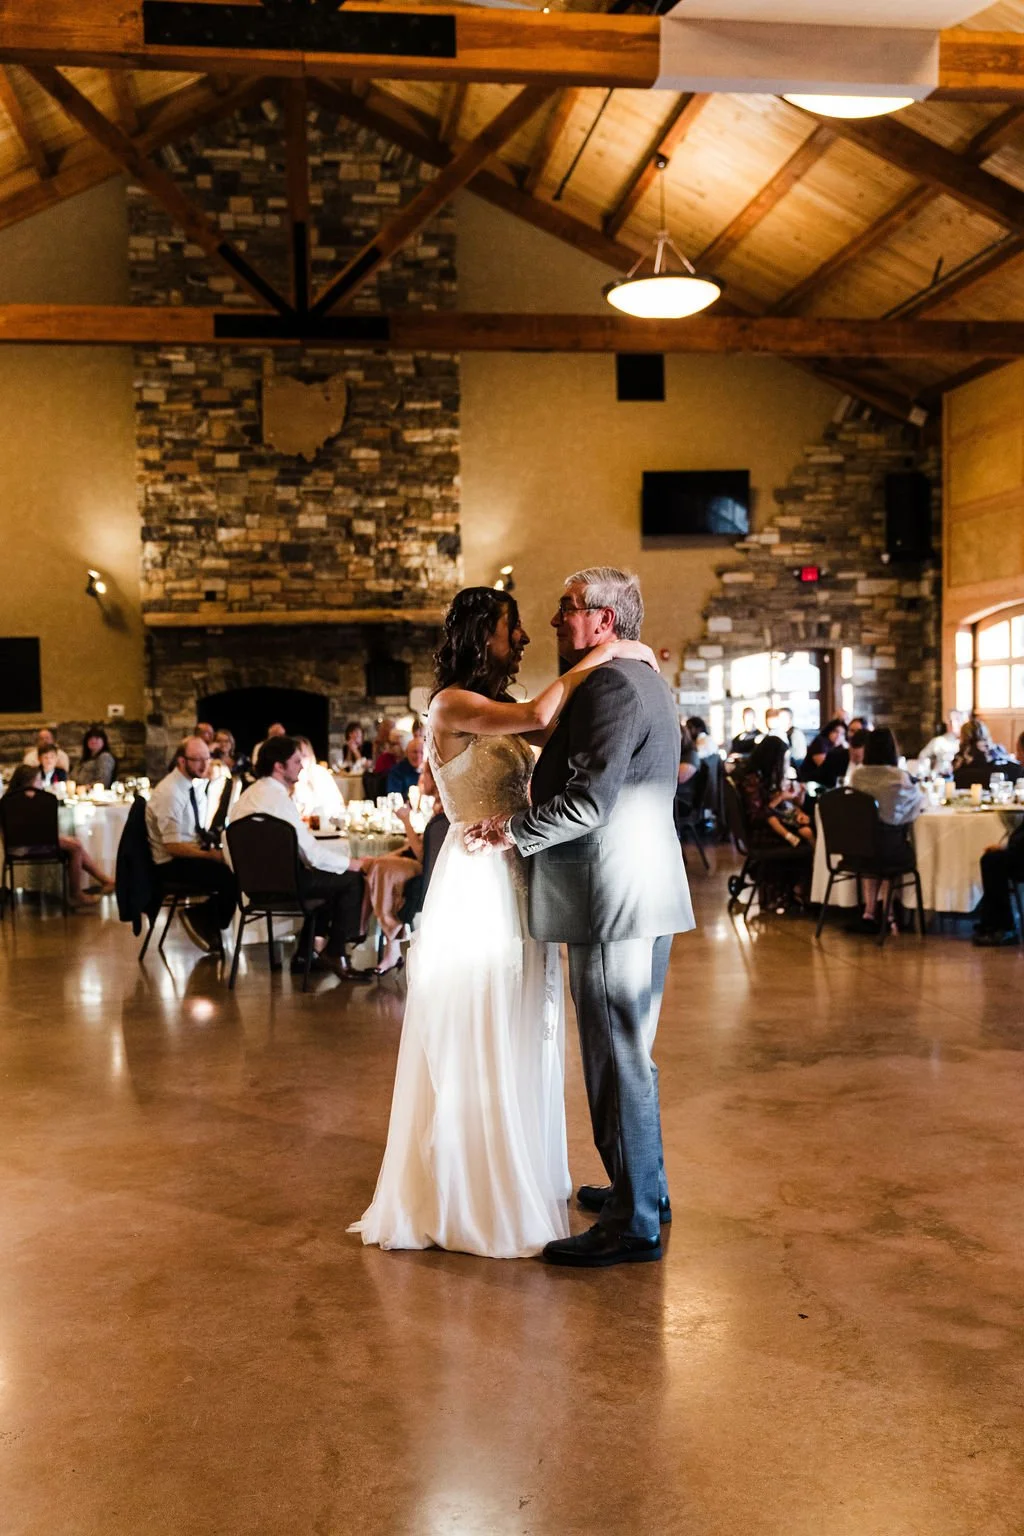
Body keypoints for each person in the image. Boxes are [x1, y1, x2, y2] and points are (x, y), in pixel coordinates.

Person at [350, 579, 667, 1262]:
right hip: (479, 881)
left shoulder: (493, 706)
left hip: (517, 875)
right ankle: (476, 1193)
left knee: (526, 1024)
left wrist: (622, 661)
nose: (522, 636)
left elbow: (563, 735)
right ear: (478, 633)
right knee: (484, 1023)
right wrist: (610, 652)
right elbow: (543, 710)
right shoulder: (451, 703)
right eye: (510, 626)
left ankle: (526, 1169)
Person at [463, 567, 695, 1269]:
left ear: (603, 621)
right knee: (623, 1054)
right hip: (637, 892)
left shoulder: (613, 687)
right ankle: (642, 1190)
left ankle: (633, 1223)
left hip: (613, 897)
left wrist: (510, 829)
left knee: (615, 1057)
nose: (557, 620)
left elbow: (589, 805)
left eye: (567, 609)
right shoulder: (643, 680)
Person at [227, 736, 368, 980]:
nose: (302, 766)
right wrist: (354, 864)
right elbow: (312, 855)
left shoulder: (247, 797)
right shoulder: (278, 799)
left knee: (327, 880)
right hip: (285, 887)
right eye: (295, 761)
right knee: (350, 880)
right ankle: (336, 952)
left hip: (251, 888)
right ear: (279, 766)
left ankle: (306, 954)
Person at [145, 735, 238, 954]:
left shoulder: (187, 786)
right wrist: (210, 856)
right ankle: (201, 918)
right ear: (181, 761)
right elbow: (172, 846)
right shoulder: (170, 792)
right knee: (231, 877)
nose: (204, 764)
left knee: (236, 866)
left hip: (185, 854)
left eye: (207, 758)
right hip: (170, 864)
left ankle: (206, 920)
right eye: (197, 759)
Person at [361, 763, 442, 976]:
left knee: (382, 869)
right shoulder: (438, 805)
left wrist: (405, 820)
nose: (420, 779)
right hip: (428, 869)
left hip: (429, 875)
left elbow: (423, 855)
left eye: (425, 774)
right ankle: (390, 947)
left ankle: (379, 937)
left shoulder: (442, 810)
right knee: (377, 864)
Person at [847, 727, 925, 934]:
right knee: (889, 844)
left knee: (872, 847)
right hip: (889, 851)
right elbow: (915, 807)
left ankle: (870, 912)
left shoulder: (857, 776)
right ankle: (888, 914)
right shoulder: (899, 777)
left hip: (857, 850)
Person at [3, 763, 113, 908]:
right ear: (30, 782)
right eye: (38, 780)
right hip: (35, 845)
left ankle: (105, 881)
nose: (41, 783)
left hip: (13, 847)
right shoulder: (39, 799)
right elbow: (42, 828)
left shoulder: (6, 800)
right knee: (76, 846)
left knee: (74, 844)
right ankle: (77, 894)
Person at [736, 736, 814, 857]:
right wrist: (780, 798)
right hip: (760, 832)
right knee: (809, 830)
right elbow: (758, 816)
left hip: (765, 826)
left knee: (809, 824)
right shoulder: (751, 780)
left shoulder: (762, 777)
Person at [292, 736, 343, 824]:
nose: (301, 761)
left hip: (326, 826)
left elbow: (337, 806)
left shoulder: (321, 773)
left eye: (304, 756)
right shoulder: (288, 780)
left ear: (310, 756)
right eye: (297, 758)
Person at [799, 718, 847, 787]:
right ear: (829, 731)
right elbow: (824, 766)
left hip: (824, 781)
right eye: (835, 731)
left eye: (842, 734)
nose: (838, 736)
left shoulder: (839, 747)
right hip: (811, 783)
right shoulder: (820, 742)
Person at [953, 717, 995, 789]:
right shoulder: (992, 754)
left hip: (962, 795)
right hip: (987, 794)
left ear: (964, 736)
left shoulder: (960, 757)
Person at [386, 736, 425, 800]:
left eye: (422, 752)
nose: (418, 756)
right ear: (407, 753)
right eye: (415, 752)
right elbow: (394, 797)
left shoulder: (429, 771)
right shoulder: (397, 771)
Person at [676, 720, 701, 814]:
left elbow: (677, 779)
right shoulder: (684, 753)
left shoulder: (691, 756)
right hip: (676, 799)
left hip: (684, 802)